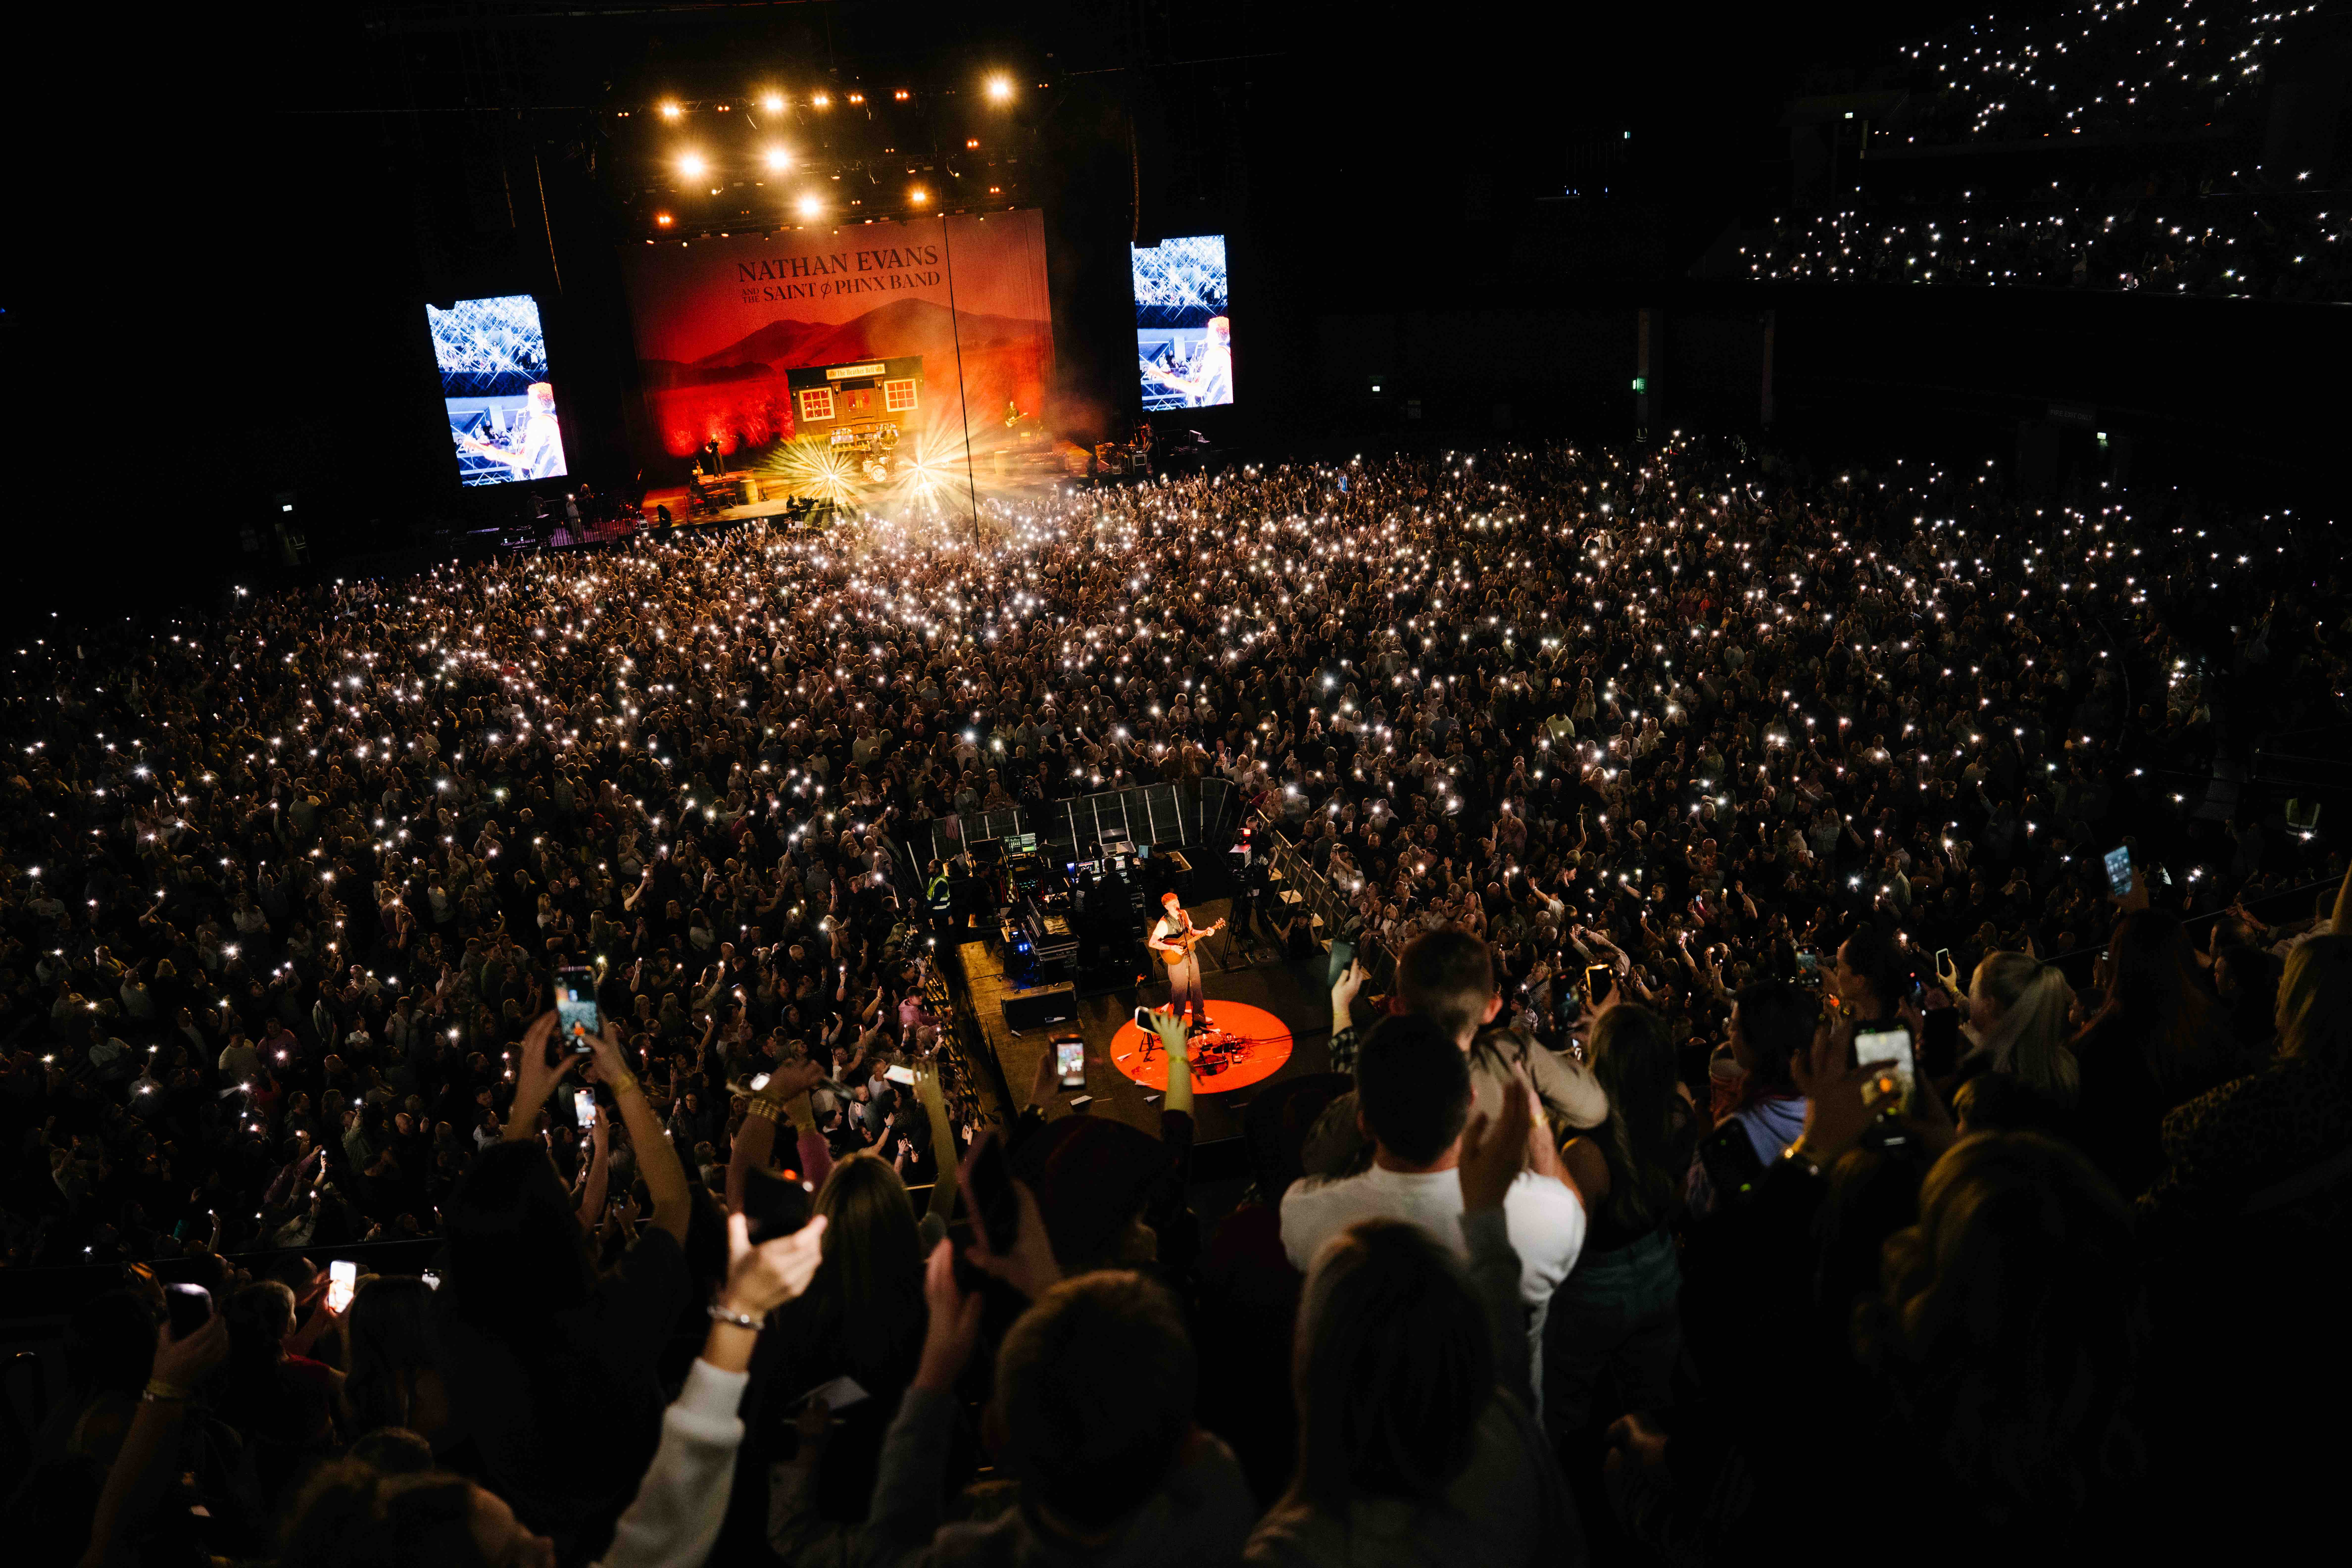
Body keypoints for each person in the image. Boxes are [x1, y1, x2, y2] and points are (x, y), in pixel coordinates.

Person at [1248, 1085, 1584, 1566]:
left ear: (1315, 1365)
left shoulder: (1290, 1550)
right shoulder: (1511, 1439)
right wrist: (1487, 1214)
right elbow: (1505, 1354)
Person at [1280, 1014, 1585, 1313]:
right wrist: (1538, 1124)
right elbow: (1574, 1219)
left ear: (1365, 1124)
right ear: (1470, 1101)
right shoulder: (1548, 1219)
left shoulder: (1304, 1215)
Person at [1547, 1002, 1691, 1440]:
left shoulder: (1585, 1149)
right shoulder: (1680, 1110)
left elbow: (1568, 1244)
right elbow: (1680, 1198)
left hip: (1597, 1286)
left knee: (1566, 1401)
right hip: (1661, 1264)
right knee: (1652, 1399)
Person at [1145, 891, 1223, 1036]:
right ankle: (1177, 1024)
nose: (1177, 906)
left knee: (1196, 987)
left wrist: (1206, 932)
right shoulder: (1164, 923)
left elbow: (1192, 932)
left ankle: (1199, 1018)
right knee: (1180, 992)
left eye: (1178, 903)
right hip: (1176, 960)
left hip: (1190, 956)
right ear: (1167, 907)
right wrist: (1172, 947)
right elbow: (1153, 943)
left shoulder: (1184, 915)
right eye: (1173, 905)